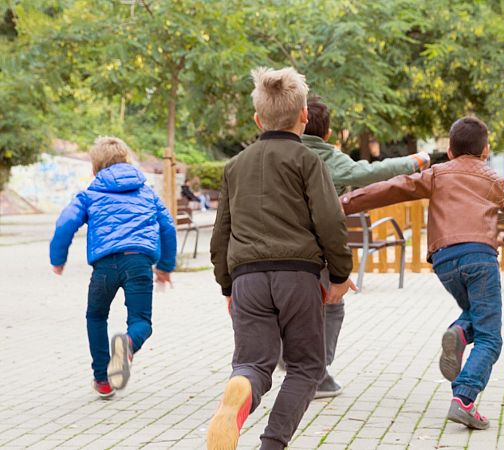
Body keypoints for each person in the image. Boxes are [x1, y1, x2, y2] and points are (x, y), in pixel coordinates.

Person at [207, 67, 356, 450]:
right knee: (306, 366)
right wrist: (340, 274)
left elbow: (221, 232)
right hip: (298, 277)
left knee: (254, 364)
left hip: (248, 279)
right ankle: (272, 444)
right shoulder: (308, 161)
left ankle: (241, 388)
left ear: (258, 119)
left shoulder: (235, 166)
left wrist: (228, 285)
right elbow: (329, 221)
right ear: (304, 116)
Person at [341, 116, 504, 430]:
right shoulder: (495, 180)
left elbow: (392, 188)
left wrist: (343, 203)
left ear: (451, 151)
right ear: (485, 150)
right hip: (480, 259)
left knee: (474, 314)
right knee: (489, 336)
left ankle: (459, 331)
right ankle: (465, 398)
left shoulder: (438, 174)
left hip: (445, 261)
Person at [300, 96, 430, 398]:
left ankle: (289, 358)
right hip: (316, 251)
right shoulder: (326, 159)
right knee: (332, 306)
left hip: (272, 249)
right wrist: (413, 162)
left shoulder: (275, 153)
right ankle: (316, 373)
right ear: (328, 133)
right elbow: (370, 171)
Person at [49, 136, 177, 399]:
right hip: (139, 262)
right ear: (126, 161)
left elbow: (65, 223)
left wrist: (58, 259)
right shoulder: (147, 192)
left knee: (96, 316)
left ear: (95, 166)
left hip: (105, 266)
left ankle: (102, 380)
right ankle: (128, 343)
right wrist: (165, 266)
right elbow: (168, 227)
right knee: (141, 321)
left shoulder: (90, 194)